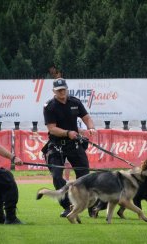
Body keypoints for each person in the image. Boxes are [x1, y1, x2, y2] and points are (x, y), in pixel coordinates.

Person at [43, 77, 96, 217]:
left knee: (85, 176)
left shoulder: (75, 102)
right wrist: (67, 133)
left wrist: (91, 128)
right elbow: (52, 129)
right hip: (56, 145)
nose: (62, 92)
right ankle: (68, 206)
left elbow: (86, 118)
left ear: (66, 89)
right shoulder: (50, 106)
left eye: (64, 89)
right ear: (54, 91)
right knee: (57, 177)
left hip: (74, 145)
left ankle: (91, 206)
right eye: (59, 90)